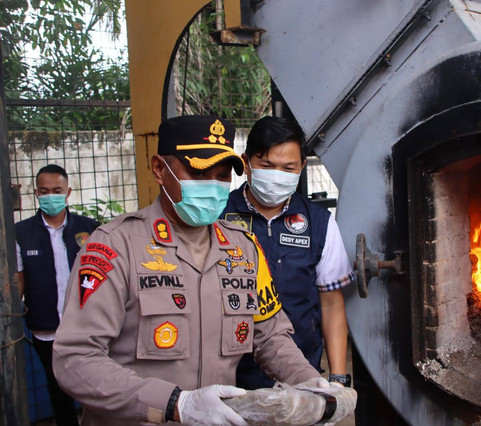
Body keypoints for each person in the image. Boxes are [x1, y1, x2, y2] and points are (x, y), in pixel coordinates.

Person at [52, 115, 334, 426]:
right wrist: (175, 403)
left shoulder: (244, 250)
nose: (213, 185)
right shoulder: (115, 247)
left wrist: (307, 381)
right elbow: (75, 359)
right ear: (160, 169)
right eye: (199, 172)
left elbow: (270, 337)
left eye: (222, 175)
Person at [222, 116, 355, 389]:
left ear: (302, 167)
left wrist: (338, 379)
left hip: (301, 373)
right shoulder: (219, 216)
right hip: (230, 377)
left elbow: (331, 303)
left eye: (288, 168)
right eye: (267, 166)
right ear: (246, 163)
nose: (276, 176)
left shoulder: (319, 223)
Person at [15, 164, 100, 426]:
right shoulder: (21, 233)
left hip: (88, 325)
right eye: (44, 191)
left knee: (96, 385)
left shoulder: (91, 229)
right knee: (57, 387)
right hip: (46, 328)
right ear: (36, 193)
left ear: (68, 192)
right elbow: (19, 281)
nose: (50, 196)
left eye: (56, 190)